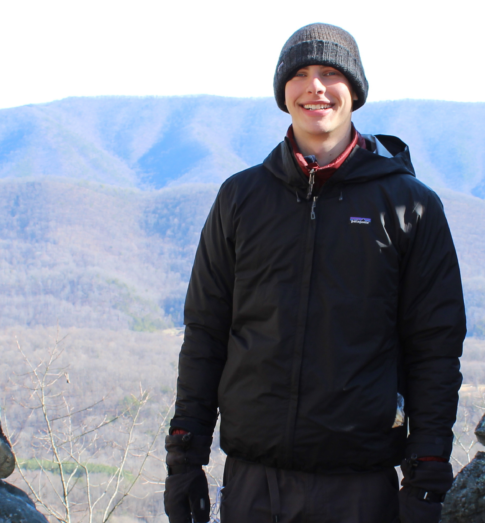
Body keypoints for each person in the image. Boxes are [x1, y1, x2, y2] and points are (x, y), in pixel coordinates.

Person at [162, 23, 465, 523]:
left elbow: (435, 347)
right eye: (300, 73)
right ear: (284, 91)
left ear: (356, 90)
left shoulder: (411, 206)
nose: (315, 87)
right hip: (252, 485)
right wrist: (184, 459)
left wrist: (428, 471)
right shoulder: (241, 199)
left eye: (330, 73)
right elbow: (206, 334)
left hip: (360, 487)